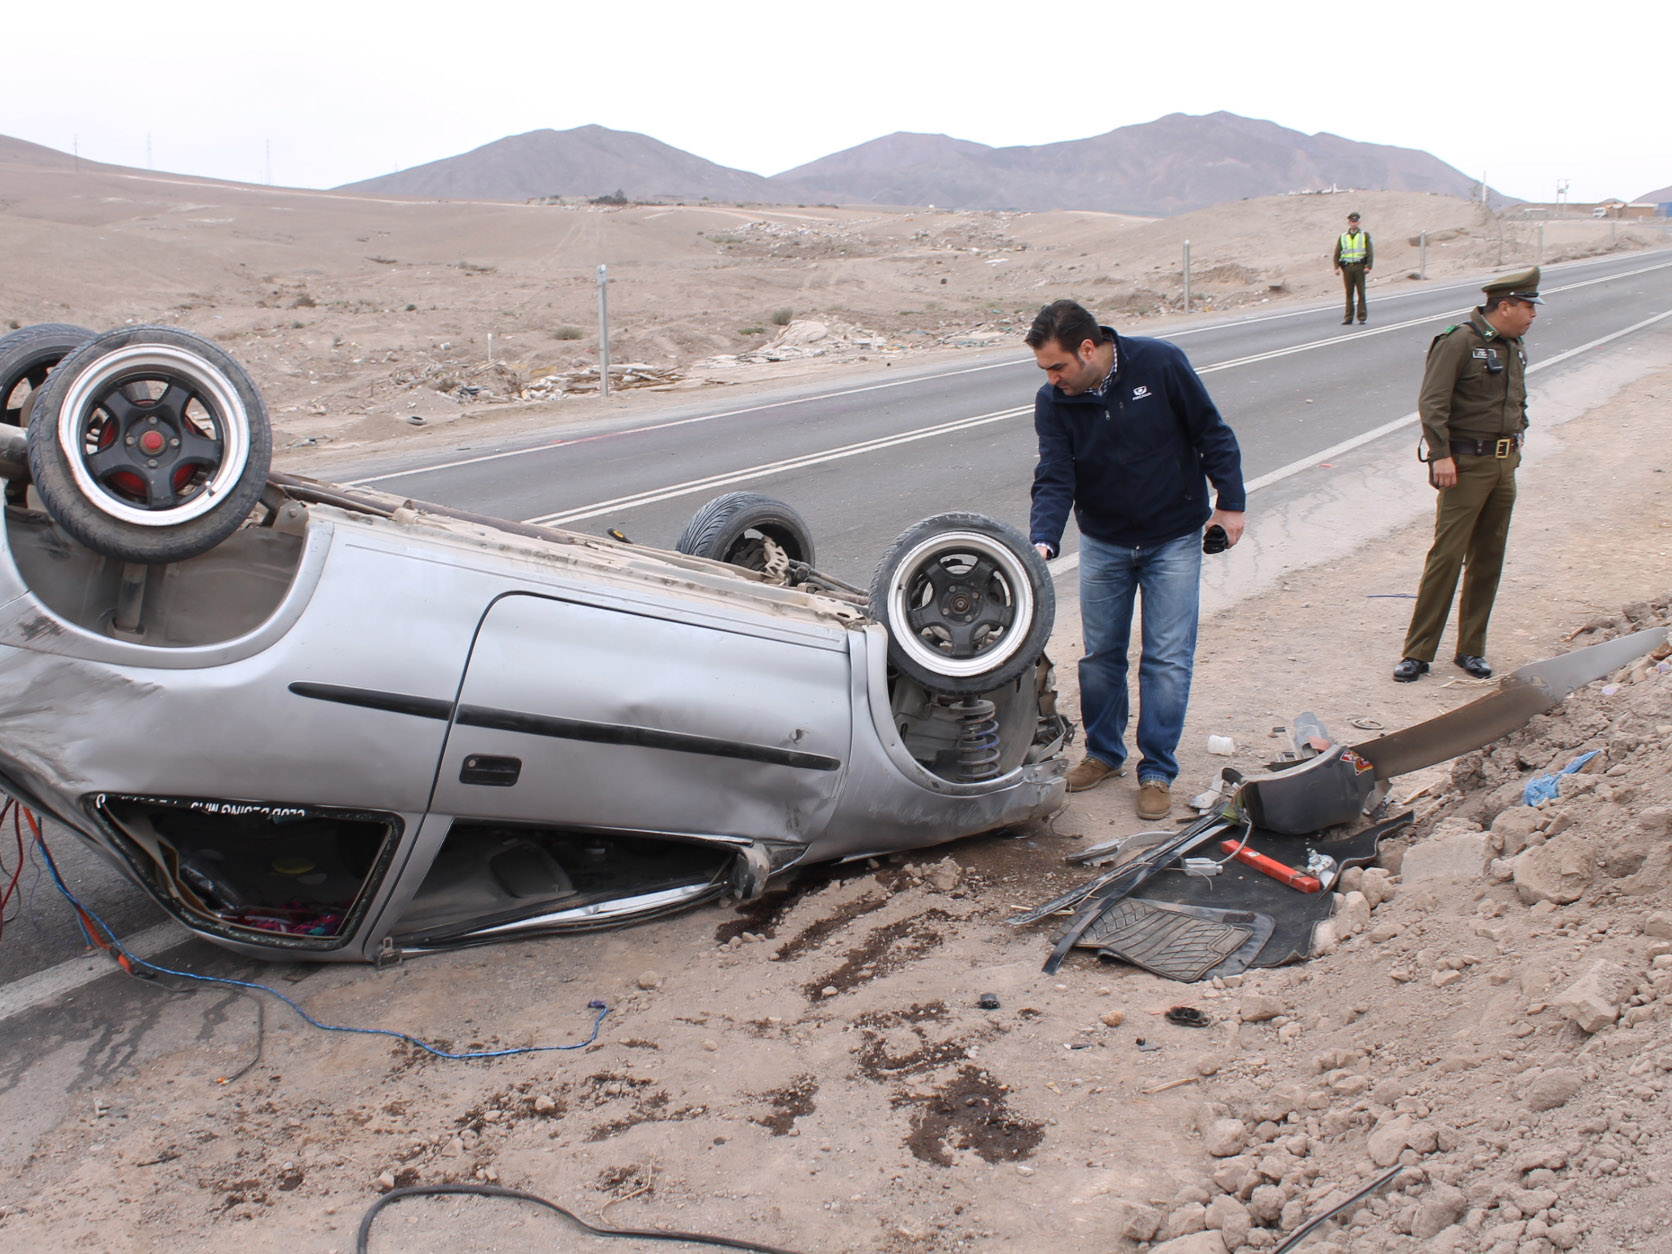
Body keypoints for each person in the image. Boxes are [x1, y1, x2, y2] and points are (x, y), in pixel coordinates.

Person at [1026, 300, 1246, 820]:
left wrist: (1229, 504)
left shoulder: (1160, 364)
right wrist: (1042, 542)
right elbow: (1056, 475)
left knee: (1167, 659)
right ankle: (1104, 754)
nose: (1052, 379)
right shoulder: (1053, 401)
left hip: (1173, 537)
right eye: (1045, 370)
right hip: (1104, 541)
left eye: (1058, 366)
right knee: (1101, 656)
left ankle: (1157, 770)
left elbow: (1211, 433)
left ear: (1087, 348)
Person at [1393, 268, 1541, 683]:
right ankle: (1418, 653)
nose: (1533, 314)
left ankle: (1471, 649)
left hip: (1502, 463)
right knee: (1447, 557)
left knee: (1488, 558)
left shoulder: (1515, 345)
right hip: (1463, 465)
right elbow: (1433, 401)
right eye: (1528, 306)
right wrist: (1440, 455)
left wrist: (1519, 433)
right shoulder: (1459, 341)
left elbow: (1517, 397)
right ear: (1505, 306)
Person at [1333, 211, 1373, 324]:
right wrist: (1336, 267)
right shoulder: (1343, 237)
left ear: (1359, 222)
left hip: (1360, 267)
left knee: (1361, 293)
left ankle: (1361, 317)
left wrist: (1368, 266)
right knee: (1349, 293)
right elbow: (1337, 252)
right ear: (1349, 222)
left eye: (1356, 221)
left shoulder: (1364, 235)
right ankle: (1348, 317)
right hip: (1347, 268)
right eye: (1352, 221)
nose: (1354, 223)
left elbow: (1370, 251)